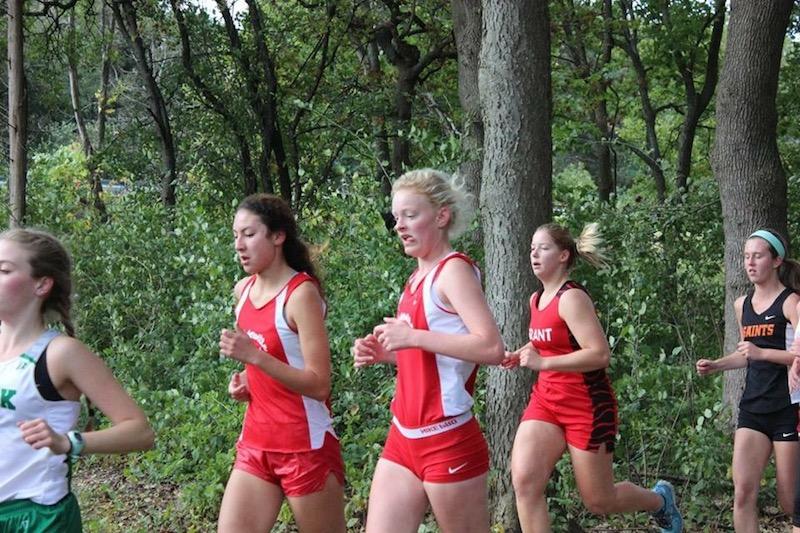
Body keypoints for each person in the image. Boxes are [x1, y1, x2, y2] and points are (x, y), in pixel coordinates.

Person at [352, 168, 504, 533]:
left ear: (441, 216)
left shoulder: (453, 271)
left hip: (447, 439)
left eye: (410, 215)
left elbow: (491, 347)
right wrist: (387, 352)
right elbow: (436, 358)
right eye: (396, 217)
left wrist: (414, 337)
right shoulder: (415, 279)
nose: (399, 225)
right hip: (402, 436)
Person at [506, 222, 682, 533]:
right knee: (524, 481)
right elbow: (547, 340)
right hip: (547, 402)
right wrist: (521, 353)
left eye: (543, 248)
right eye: (532, 248)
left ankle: (659, 502)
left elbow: (600, 354)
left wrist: (543, 364)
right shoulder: (537, 299)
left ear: (563, 256)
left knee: (599, 501)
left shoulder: (571, 298)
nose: (534, 254)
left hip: (586, 406)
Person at [0, 228, 154, 532]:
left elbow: (141, 432)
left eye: (4, 270)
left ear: (42, 284)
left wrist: (68, 442)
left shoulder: (60, 354)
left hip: (38, 518)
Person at [217, 193, 346, 533]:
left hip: (305, 445)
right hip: (256, 443)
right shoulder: (242, 291)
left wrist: (255, 358)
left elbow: (319, 384)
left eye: (249, 234)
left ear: (277, 236)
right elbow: (261, 365)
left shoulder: (300, 294)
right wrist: (246, 382)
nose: (239, 245)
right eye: (235, 235)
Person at [698, 228, 800, 533]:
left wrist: (763, 353)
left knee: (790, 502)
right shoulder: (742, 305)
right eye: (746, 256)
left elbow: (792, 355)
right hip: (753, 408)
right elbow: (746, 353)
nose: (750, 263)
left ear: (776, 260)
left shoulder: (790, 302)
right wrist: (717, 364)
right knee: (742, 493)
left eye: (757, 256)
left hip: (787, 409)